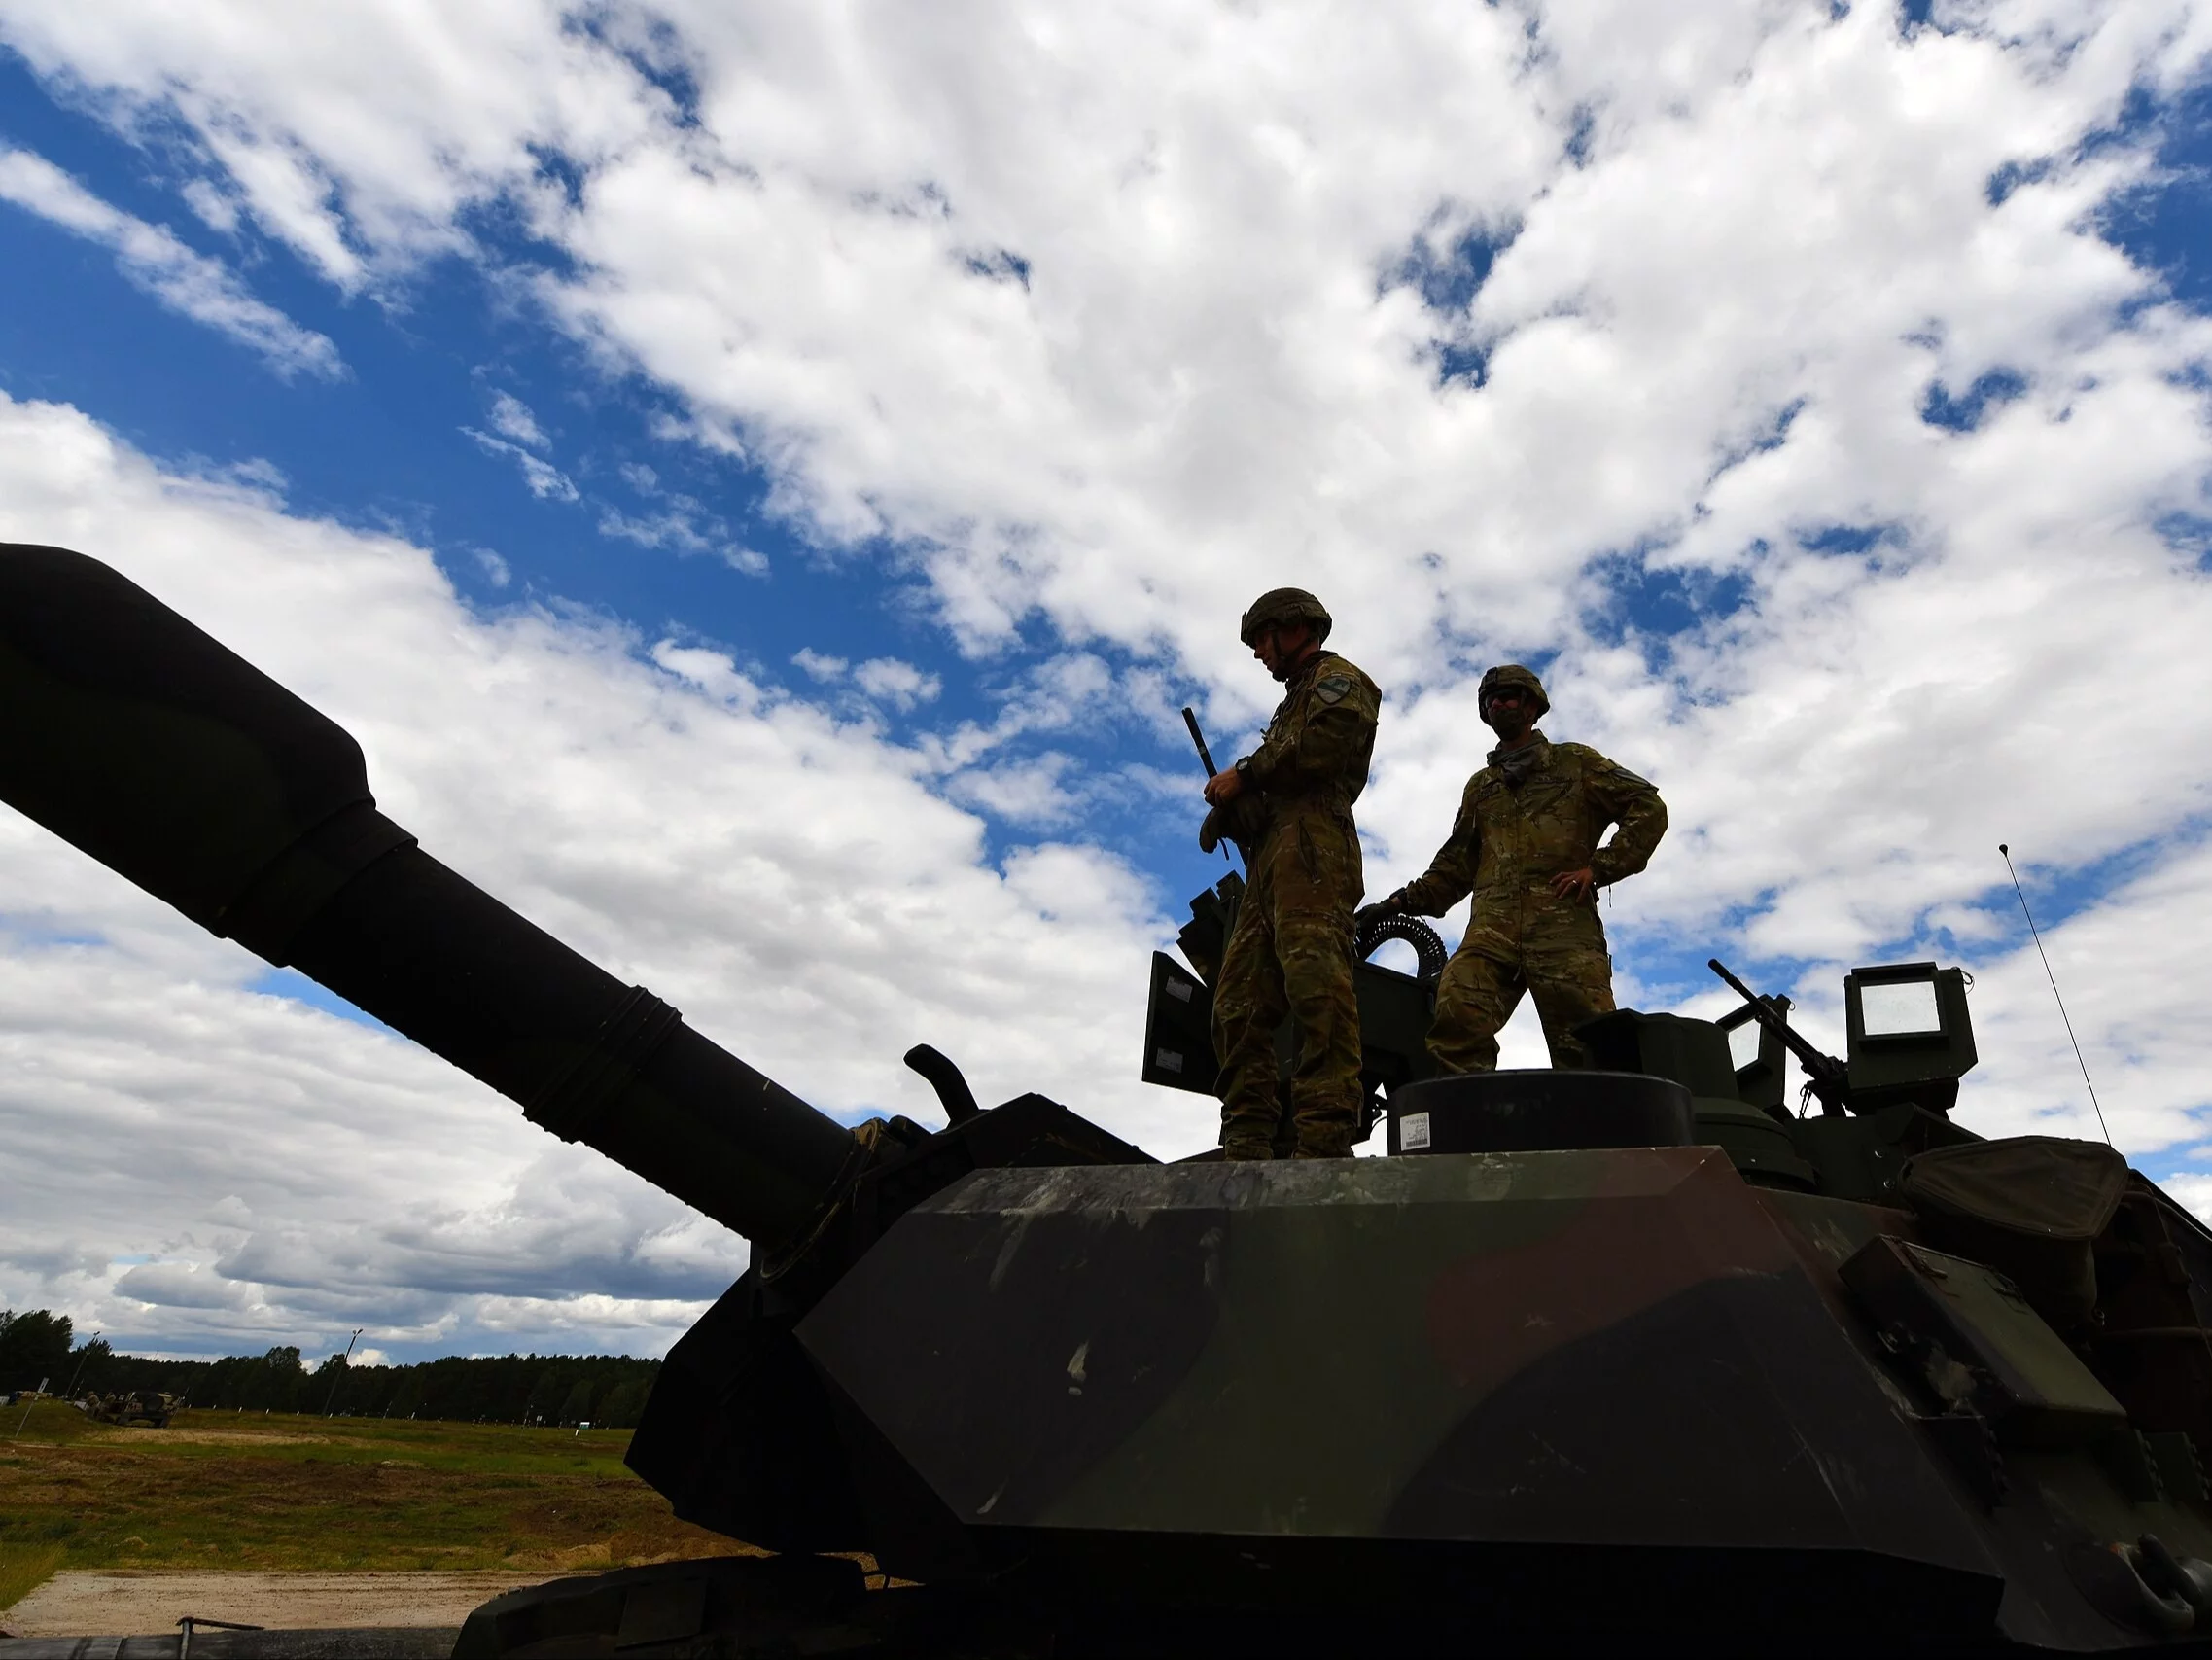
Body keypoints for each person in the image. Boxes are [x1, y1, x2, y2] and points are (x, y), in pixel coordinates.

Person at [1358, 664, 1665, 1073]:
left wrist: (1600, 868)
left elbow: (1647, 806)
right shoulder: (1482, 787)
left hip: (1563, 926)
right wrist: (1396, 903)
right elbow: (1454, 866)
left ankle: (1601, 1131)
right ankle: (1474, 1125)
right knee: (1458, 1006)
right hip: (1493, 930)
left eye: (1508, 696)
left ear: (1532, 706)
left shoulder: (1575, 763)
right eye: (1491, 700)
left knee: (1588, 1043)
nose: (1498, 704)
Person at [1201, 588, 1381, 1158]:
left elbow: (1321, 752)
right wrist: (1239, 813)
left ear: (1294, 627)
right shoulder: (1291, 702)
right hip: (1273, 857)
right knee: (1237, 1003)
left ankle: (1325, 1138)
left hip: (1313, 849)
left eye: (1261, 638)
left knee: (1316, 987)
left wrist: (1246, 774)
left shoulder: (1340, 680)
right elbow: (1281, 775)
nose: (1258, 653)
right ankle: (1247, 1140)